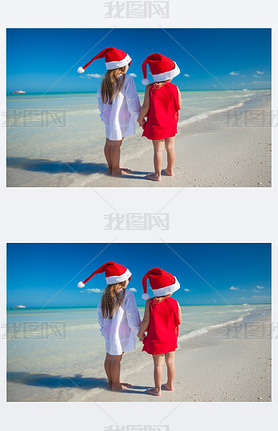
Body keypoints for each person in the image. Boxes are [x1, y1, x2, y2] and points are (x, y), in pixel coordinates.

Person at [78, 261, 141, 391]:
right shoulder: (127, 294)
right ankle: (116, 385)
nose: (129, 280)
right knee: (117, 359)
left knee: (109, 356)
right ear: (123, 280)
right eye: (128, 278)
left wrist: (103, 329)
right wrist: (138, 330)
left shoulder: (106, 295)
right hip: (120, 332)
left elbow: (100, 314)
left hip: (109, 332)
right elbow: (132, 314)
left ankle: (111, 381)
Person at [78, 47, 141, 176]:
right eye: (128, 64)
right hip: (120, 117)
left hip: (109, 117)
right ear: (122, 66)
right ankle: (116, 170)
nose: (129, 66)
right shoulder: (127, 79)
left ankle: (111, 166)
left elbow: (100, 100)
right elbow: (131, 99)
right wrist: (138, 115)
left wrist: (103, 114)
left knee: (109, 142)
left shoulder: (105, 81)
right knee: (116, 144)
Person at [137, 268, 182, 396]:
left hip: (157, 337)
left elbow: (145, 321)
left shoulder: (150, 303)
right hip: (171, 337)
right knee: (171, 362)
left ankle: (157, 390)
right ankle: (170, 385)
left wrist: (141, 333)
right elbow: (179, 320)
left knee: (158, 364)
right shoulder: (175, 302)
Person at [137, 53, 182, 181]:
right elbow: (179, 105)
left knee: (158, 149)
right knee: (171, 147)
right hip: (171, 122)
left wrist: (140, 119)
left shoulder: (150, 88)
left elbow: (145, 106)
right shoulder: (175, 87)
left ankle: (157, 175)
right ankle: (170, 170)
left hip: (156, 122)